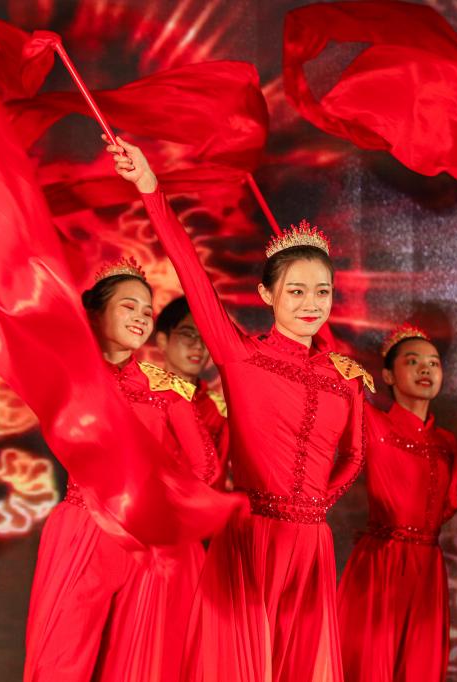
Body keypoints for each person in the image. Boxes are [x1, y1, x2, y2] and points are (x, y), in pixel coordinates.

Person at [108, 136, 369, 682]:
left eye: (321, 291)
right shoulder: (240, 354)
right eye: (295, 292)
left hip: (312, 544)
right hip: (251, 536)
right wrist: (151, 189)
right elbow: (191, 271)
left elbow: (354, 456)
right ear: (268, 295)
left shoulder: (344, 378)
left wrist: (319, 503)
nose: (311, 303)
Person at [24, 259, 223, 682]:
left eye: (147, 312)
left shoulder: (165, 388)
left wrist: (157, 499)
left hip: (143, 541)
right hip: (82, 525)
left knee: (130, 665)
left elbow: (206, 468)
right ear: (96, 313)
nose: (141, 317)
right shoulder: (71, 377)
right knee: (60, 661)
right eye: (128, 307)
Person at [337, 324, 457, 682]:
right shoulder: (373, 422)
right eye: (412, 361)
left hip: (428, 568)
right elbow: (338, 375)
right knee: (370, 665)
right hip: (382, 563)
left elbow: (448, 505)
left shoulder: (447, 442)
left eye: (433, 363)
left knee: (420, 666)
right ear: (388, 375)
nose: (425, 369)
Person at [155, 295, 228, 456]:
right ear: (162, 341)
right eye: (188, 334)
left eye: (205, 337)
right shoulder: (139, 396)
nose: (198, 345)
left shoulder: (219, 410)